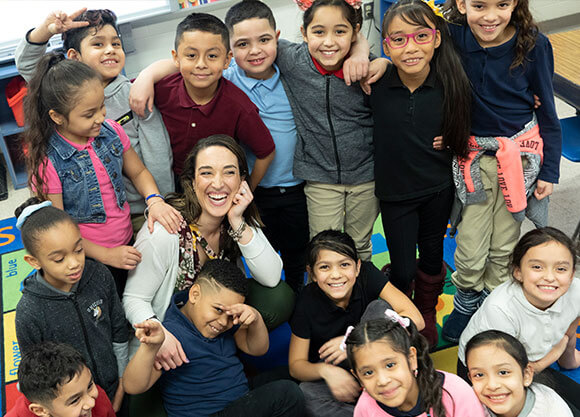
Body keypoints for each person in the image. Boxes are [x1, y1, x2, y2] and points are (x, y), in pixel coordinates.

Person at [440, 0, 562, 342]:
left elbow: (549, 111)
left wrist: (550, 171)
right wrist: (364, 48)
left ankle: (494, 304)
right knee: (469, 241)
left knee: (505, 242)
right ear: (461, 4)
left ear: (515, 4)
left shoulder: (533, 44)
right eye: (479, 5)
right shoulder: (450, 37)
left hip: (520, 159)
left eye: (502, 5)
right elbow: (404, 26)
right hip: (474, 158)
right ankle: (466, 301)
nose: (490, 16)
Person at [123, 134, 294, 369]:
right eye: (206, 173)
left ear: (242, 181)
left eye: (229, 172)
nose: (218, 183)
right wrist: (160, 336)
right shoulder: (166, 229)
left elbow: (272, 276)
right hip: (172, 346)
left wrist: (236, 220)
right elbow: (133, 299)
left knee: (279, 296)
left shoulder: (235, 220)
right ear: (192, 182)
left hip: (218, 332)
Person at [22, 53, 182, 296]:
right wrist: (107, 254)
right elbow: (57, 229)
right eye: (88, 114)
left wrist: (155, 200)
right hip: (87, 258)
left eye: (101, 107)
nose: (100, 118)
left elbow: (138, 172)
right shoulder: (49, 162)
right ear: (57, 117)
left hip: (127, 240)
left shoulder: (111, 132)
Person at [15, 8, 174, 232]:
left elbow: (156, 151)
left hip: (137, 209)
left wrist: (161, 200)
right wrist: (46, 31)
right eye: (98, 44)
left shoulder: (135, 94)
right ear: (74, 56)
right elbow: (26, 64)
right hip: (84, 219)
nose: (110, 50)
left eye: (116, 44)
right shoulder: (59, 89)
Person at [370, 0, 471, 347]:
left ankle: (426, 309)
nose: (410, 47)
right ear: (386, 46)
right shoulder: (376, 83)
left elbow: (476, 121)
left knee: (431, 255)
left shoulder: (452, 82)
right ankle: (403, 308)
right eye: (398, 40)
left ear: (437, 38)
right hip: (395, 195)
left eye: (421, 36)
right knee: (401, 268)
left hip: (437, 190)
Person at [275, 0, 386, 261]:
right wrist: (156, 70)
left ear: (354, 31)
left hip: (365, 176)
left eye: (340, 31)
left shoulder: (367, 69)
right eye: (318, 32)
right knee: (323, 248)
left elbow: (396, 76)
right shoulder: (292, 61)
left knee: (360, 246)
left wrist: (379, 60)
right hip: (320, 177)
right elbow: (251, 44)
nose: (329, 42)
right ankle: (324, 301)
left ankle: (361, 298)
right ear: (304, 34)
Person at [123, 259, 305, 417]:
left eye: (230, 315)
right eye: (218, 310)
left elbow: (257, 349)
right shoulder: (171, 335)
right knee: (287, 393)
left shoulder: (224, 323)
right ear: (194, 294)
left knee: (294, 373)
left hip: (238, 399)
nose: (223, 322)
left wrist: (255, 319)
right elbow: (132, 386)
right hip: (209, 413)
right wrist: (150, 348)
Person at [289, 229, 424, 417]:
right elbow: (296, 365)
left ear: (358, 267)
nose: (335, 275)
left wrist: (352, 341)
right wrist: (327, 371)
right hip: (342, 369)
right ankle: (371, 412)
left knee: (379, 308)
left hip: (380, 356)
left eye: (344, 265)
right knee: (306, 393)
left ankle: (399, 398)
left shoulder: (367, 274)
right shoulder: (306, 302)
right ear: (311, 273)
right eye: (324, 267)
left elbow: (416, 319)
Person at [14, 198, 129, 412]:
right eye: (59, 259)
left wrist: (122, 381)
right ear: (34, 261)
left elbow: (118, 328)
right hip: (72, 408)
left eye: (78, 250)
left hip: (115, 387)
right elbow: (35, 373)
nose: (74, 263)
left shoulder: (99, 275)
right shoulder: (29, 312)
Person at [145, 12, 276, 189]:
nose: (201, 64)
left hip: (219, 187)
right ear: (176, 58)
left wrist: (245, 190)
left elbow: (266, 152)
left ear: (227, 60)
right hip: (173, 184)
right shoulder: (162, 89)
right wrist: (142, 80)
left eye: (212, 56)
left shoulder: (238, 106)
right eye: (191, 56)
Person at [458, 227, 580, 415]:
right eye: (537, 267)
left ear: (572, 274)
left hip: (532, 363)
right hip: (496, 371)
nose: (549, 277)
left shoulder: (575, 291)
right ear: (517, 272)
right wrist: (555, 353)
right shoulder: (501, 309)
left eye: (561, 268)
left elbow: (572, 320)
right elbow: (501, 373)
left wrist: (566, 351)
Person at [344, 310, 485, 417]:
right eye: (368, 373)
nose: (382, 380)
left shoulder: (455, 393)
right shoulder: (365, 409)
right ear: (357, 377)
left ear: (411, 359)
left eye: (390, 365)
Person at [465, 330, 573, 417]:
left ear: (526, 375)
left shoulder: (553, 411)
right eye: (479, 375)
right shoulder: (465, 403)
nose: (492, 385)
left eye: (503, 372)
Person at [6, 342, 116, 417]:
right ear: (41, 410)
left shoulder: (98, 398)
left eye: (90, 385)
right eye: (75, 400)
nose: (91, 402)